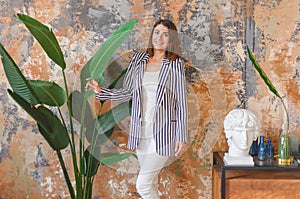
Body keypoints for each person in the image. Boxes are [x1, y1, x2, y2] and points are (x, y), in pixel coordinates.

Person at [87, 19, 188, 198]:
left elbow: (181, 103)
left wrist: (182, 136)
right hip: (141, 131)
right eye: (157, 32)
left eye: (165, 34)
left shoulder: (175, 64)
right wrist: (101, 91)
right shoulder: (139, 59)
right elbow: (127, 93)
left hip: (164, 132)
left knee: (143, 185)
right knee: (151, 184)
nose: (160, 37)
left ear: (171, 39)